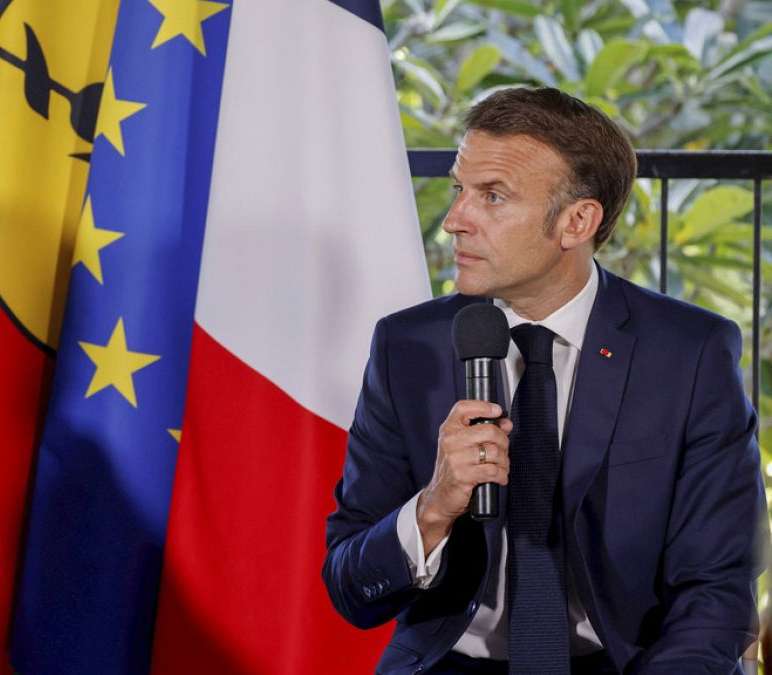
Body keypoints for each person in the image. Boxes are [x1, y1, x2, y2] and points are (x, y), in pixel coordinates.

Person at [322, 87, 768, 674]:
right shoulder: (407, 347)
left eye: (493, 196)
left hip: (632, 664)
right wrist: (432, 509)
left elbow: (716, 592)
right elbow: (350, 589)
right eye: (460, 189)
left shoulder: (690, 352)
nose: (455, 220)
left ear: (577, 221)